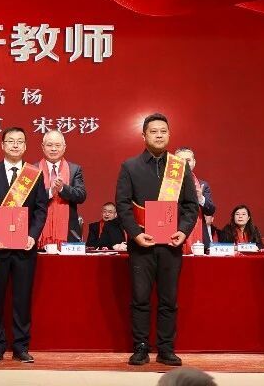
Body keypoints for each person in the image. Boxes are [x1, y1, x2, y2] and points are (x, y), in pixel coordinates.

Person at [115, 113, 199, 366]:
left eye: (163, 131)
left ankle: (166, 348)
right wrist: (136, 234)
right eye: (153, 131)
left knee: (168, 300)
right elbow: (122, 205)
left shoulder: (179, 167)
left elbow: (190, 206)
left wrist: (183, 231)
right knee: (140, 298)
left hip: (172, 244)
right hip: (142, 244)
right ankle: (140, 347)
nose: (159, 135)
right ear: (144, 135)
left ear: (169, 134)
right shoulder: (130, 166)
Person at [0, 127, 49, 364]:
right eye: (11, 141)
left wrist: (33, 235)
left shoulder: (34, 175)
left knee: (22, 299)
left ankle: (20, 347)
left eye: (20, 141)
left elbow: (41, 210)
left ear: (25, 146)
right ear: (2, 145)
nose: (15, 145)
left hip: (24, 248)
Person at [37, 130, 87, 246]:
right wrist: (51, 191)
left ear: (64, 147)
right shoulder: (33, 169)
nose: (53, 149)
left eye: (57, 145)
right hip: (38, 232)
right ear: (43, 147)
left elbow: (81, 195)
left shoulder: (74, 169)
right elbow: (29, 199)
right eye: (49, 145)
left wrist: (62, 188)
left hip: (68, 232)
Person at [174, 147, 216, 247]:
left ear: (194, 162)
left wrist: (200, 198)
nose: (185, 163)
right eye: (180, 160)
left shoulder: (202, 185)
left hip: (199, 237)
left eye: (188, 160)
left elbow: (210, 210)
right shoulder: (167, 184)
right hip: (174, 234)